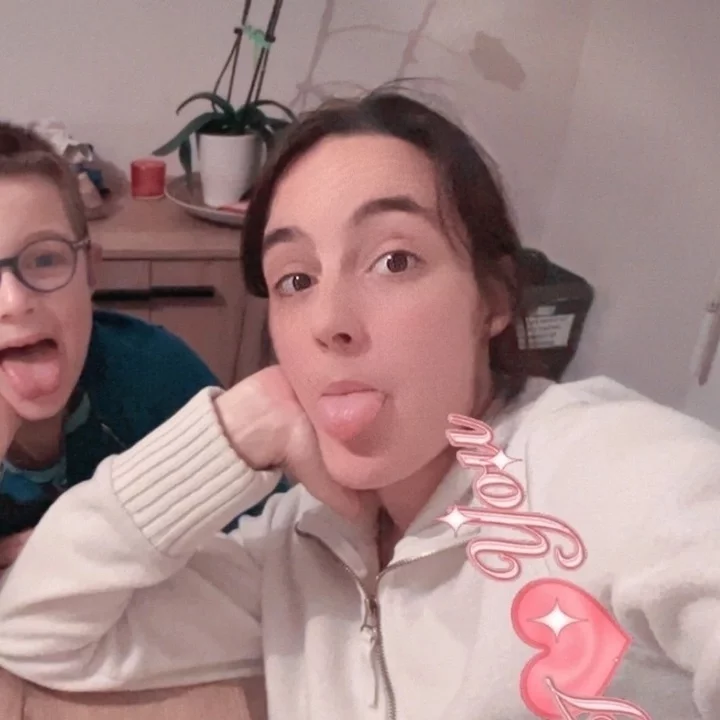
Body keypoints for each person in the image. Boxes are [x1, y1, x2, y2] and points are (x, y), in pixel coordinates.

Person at [0, 89, 718, 720]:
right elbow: (34, 629)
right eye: (296, 279)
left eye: (393, 260)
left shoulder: (608, 475)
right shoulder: (294, 554)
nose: (328, 321)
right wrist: (243, 423)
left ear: (493, 298)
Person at [0, 122, 279, 571]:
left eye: (45, 258)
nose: (14, 302)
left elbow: (270, 539)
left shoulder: (154, 375)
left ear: (91, 272)